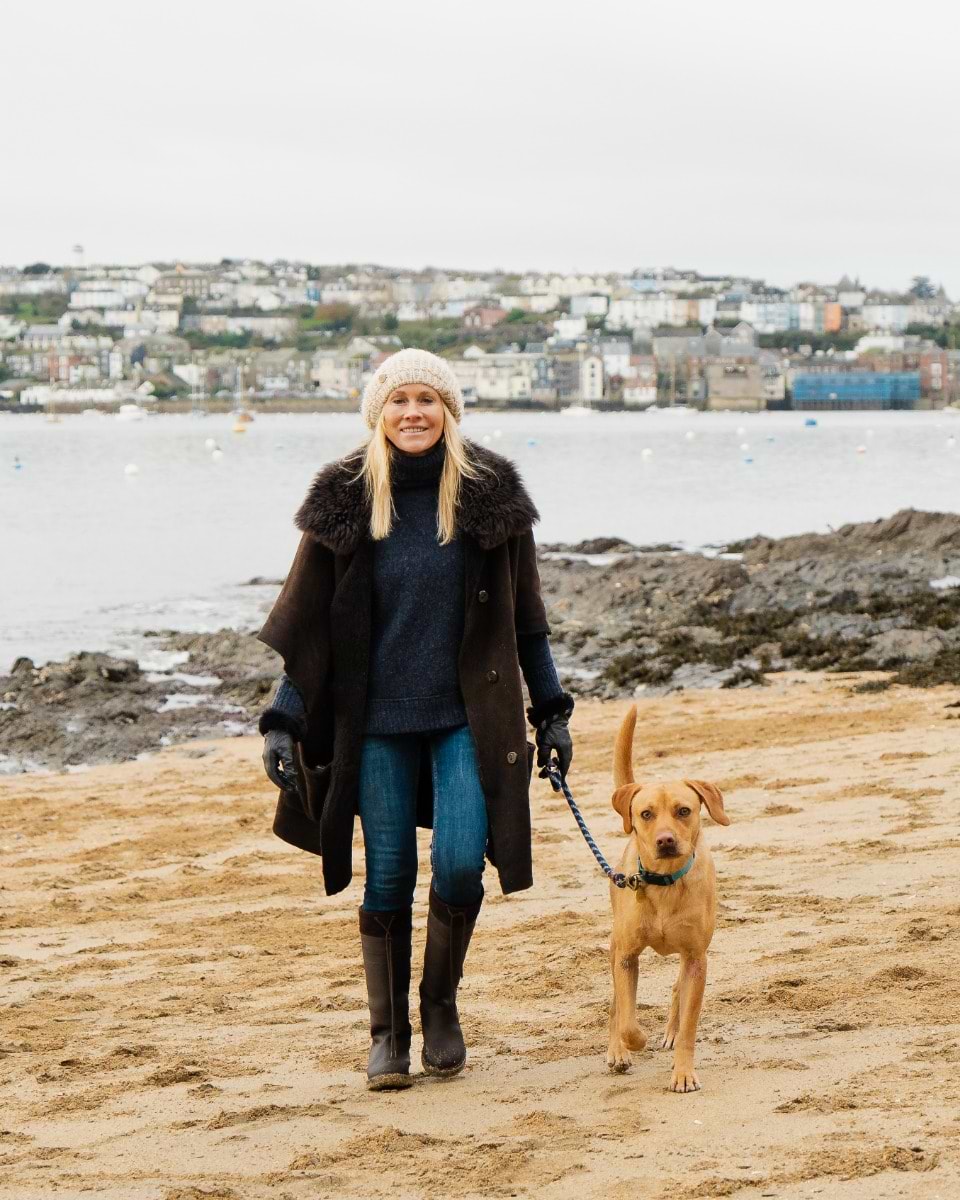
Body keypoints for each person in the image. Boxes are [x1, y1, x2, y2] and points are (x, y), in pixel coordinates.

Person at [256, 347, 574, 1090]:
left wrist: (551, 712)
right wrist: (282, 720)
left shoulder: (489, 498)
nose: (414, 413)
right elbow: (308, 633)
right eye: (399, 401)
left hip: (467, 718)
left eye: (428, 399)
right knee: (389, 875)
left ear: (449, 411)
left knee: (464, 860)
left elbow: (528, 625)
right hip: (372, 725)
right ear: (379, 413)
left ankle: (440, 1008)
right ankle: (389, 1035)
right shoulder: (346, 498)